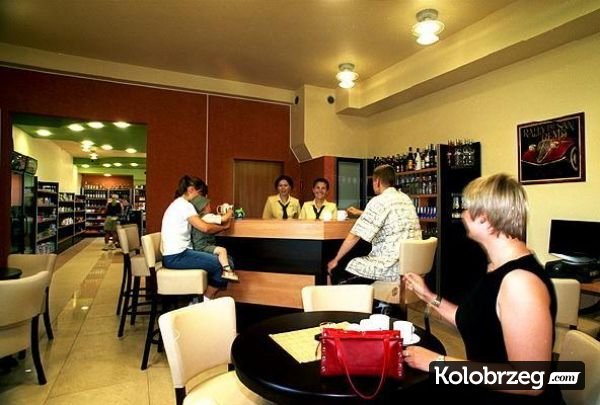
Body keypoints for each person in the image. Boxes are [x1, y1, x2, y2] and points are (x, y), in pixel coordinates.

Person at [403, 173, 561, 404]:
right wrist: (427, 296)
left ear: (485, 219)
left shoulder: (520, 282)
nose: (463, 214)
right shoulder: (495, 267)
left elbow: (530, 381)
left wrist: (438, 363)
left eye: (467, 209)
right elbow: (474, 321)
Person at [326, 164, 421, 284]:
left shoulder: (378, 201)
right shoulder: (405, 199)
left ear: (377, 181)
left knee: (339, 268)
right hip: (413, 263)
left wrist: (336, 259)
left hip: (390, 267)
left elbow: (354, 236)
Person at [161, 175, 233, 298]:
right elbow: (205, 228)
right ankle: (205, 300)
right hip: (177, 256)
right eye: (200, 194)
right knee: (222, 265)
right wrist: (224, 228)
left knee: (227, 260)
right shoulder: (185, 206)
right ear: (191, 190)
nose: (201, 199)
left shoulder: (178, 204)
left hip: (176, 254)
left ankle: (200, 299)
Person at [190, 194, 239, 282]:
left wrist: (226, 223)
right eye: (208, 205)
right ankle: (227, 271)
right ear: (204, 207)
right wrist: (230, 211)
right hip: (203, 246)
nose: (210, 207)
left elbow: (222, 223)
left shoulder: (199, 218)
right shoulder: (207, 216)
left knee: (224, 254)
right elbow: (223, 219)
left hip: (198, 246)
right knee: (222, 251)